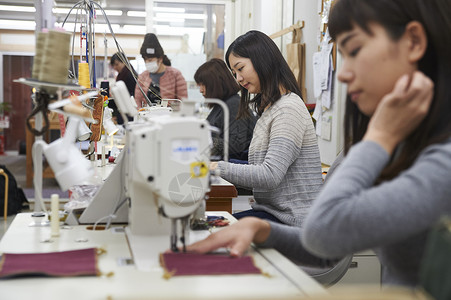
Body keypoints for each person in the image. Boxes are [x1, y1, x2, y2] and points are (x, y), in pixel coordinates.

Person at [187, 0, 451, 289]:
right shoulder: (402, 146)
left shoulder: (438, 159)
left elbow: (324, 231)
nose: (343, 74)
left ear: (413, 41)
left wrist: (378, 138)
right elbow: (329, 247)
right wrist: (263, 231)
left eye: (355, 50)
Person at [209, 31, 323, 226]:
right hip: (273, 213)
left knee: (212, 232)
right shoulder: (271, 109)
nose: (238, 78)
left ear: (261, 59)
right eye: (234, 73)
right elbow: (260, 167)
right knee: (210, 227)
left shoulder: (288, 109)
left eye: (240, 68)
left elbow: (269, 175)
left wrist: (216, 167)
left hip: (292, 221)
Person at [194, 58, 257, 162]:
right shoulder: (222, 104)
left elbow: (236, 144)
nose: (201, 90)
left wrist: (203, 141)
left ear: (215, 84)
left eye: (203, 85)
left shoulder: (233, 105)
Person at [134, 33, 187, 108]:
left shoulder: (175, 74)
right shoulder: (142, 77)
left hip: (169, 117)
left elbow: (183, 100)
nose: (147, 63)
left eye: (150, 60)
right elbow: (138, 101)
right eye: (145, 60)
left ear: (160, 59)